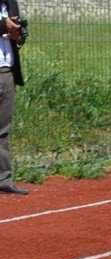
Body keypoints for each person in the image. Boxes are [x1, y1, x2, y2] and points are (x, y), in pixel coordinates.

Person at [0, 0, 26, 195]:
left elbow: (19, 38)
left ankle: (3, 180)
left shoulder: (11, 6)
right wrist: (3, 25)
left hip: (7, 72)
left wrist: (19, 35)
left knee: (3, 130)